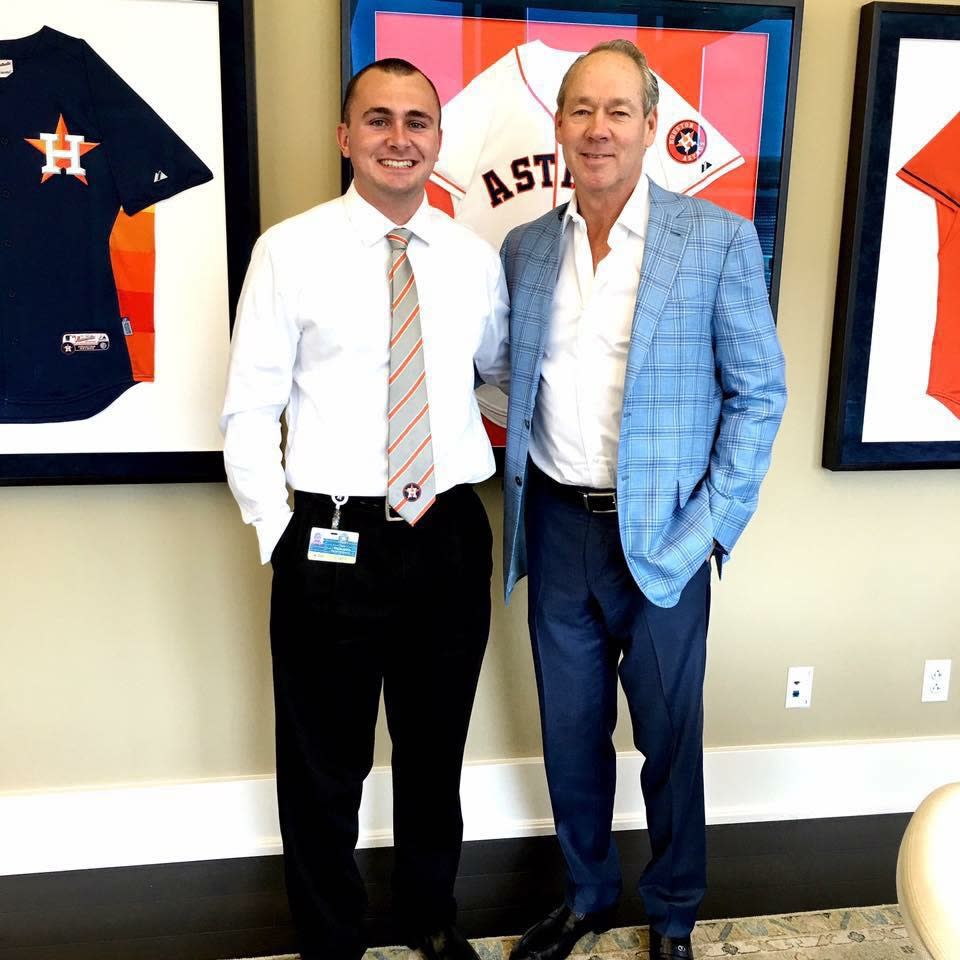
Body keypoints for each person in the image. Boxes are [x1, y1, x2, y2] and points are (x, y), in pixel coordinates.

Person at [500, 40, 786, 960]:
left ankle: (671, 914)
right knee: (570, 736)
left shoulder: (716, 240)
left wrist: (709, 524)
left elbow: (758, 392)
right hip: (557, 527)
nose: (598, 128)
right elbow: (507, 379)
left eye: (618, 110)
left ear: (652, 127)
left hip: (664, 536)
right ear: (559, 126)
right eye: (581, 109)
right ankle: (586, 895)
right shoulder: (525, 248)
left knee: (669, 738)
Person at [221, 58, 509, 960]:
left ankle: (429, 918)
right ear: (346, 137)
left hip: (448, 534)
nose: (399, 137)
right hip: (331, 533)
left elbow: (495, 378)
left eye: (417, 121)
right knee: (321, 764)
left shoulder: (473, 262)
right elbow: (247, 408)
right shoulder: (289, 251)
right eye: (378, 119)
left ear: (437, 140)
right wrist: (281, 532)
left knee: (435, 752)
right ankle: (330, 939)